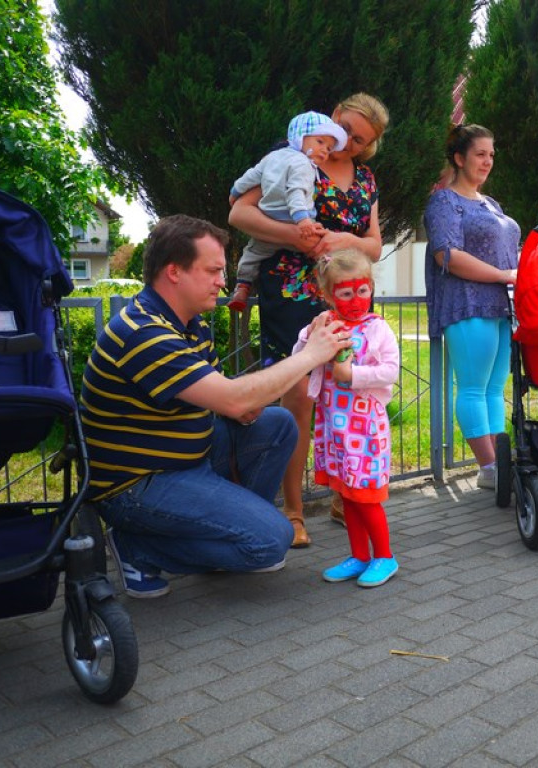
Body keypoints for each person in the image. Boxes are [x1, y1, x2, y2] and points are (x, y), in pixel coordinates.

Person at [80, 214, 351, 597]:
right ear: (174, 272)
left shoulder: (189, 323)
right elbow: (231, 397)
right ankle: (134, 546)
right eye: (212, 271)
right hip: (136, 486)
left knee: (278, 424)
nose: (223, 282)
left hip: (186, 458)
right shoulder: (144, 332)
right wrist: (309, 355)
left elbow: (230, 400)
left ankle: (233, 529)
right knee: (271, 543)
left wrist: (249, 402)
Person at [228, 92, 389, 547]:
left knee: (348, 394)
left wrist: (342, 239)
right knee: (300, 397)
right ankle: (294, 511)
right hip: (292, 290)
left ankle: (347, 494)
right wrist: (298, 237)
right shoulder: (294, 153)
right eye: (347, 129)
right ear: (332, 115)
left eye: (360, 141)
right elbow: (238, 212)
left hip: (346, 297)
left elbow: (374, 245)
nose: (348, 144)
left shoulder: (366, 178)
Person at [292, 249, 400, 587]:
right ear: (328, 295)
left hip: (366, 429)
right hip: (334, 428)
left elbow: (390, 372)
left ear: (370, 286)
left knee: (365, 497)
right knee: (347, 496)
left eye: (363, 290)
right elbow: (299, 360)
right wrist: (308, 337)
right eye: (346, 293)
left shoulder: (377, 328)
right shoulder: (325, 326)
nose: (357, 299)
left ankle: (384, 556)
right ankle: (359, 556)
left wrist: (351, 375)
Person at [423, 124, 519, 491]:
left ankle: (495, 469)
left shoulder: (490, 204)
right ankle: (491, 466)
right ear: (460, 158)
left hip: (499, 306)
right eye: (480, 154)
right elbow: (447, 255)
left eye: (491, 155)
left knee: (495, 391)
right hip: (466, 305)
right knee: (474, 389)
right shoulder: (444, 202)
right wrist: (503, 275)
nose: (488, 161)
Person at [227, 112, 348, 312]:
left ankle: (242, 287)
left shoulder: (272, 157)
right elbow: (296, 193)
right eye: (320, 142)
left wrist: (235, 192)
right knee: (321, 251)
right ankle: (337, 283)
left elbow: (252, 175)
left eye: (328, 148)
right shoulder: (303, 164)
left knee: (251, 254)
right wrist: (303, 221)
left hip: (269, 223)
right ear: (300, 136)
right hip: (298, 223)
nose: (324, 151)